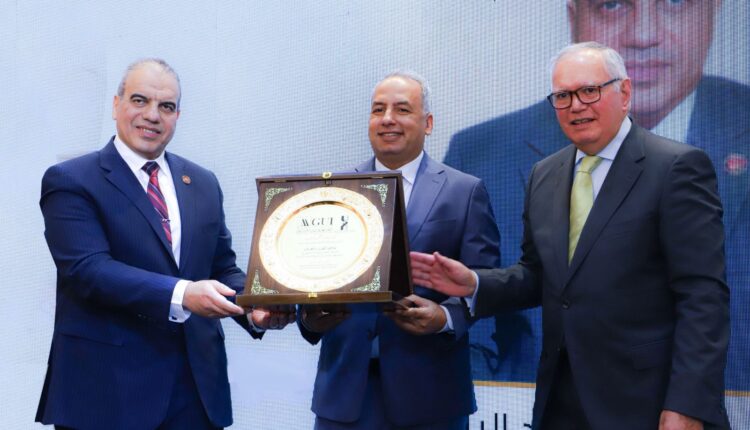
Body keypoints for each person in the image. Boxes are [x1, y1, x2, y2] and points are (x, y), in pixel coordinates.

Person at [411, 43, 730, 429]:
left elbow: (702, 296)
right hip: (561, 402)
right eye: (563, 96)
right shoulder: (544, 174)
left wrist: (687, 406)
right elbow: (539, 277)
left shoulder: (676, 167)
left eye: (589, 91)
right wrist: (475, 283)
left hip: (647, 404)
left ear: (625, 92)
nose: (576, 105)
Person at [444, 0, 749, 386]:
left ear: (713, 10)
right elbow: (481, 326)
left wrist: (686, 404)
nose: (643, 36)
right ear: (575, 18)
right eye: (611, 5)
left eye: (674, 2)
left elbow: (704, 300)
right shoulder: (483, 156)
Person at [35, 58, 293, 430]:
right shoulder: (72, 180)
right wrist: (183, 294)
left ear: (177, 116)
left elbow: (221, 268)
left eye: (166, 106)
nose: (152, 115)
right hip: (107, 395)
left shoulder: (202, 182)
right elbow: (88, 270)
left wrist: (254, 306)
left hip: (195, 395)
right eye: (140, 100)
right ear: (116, 105)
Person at [298, 71, 500, 429]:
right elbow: (311, 274)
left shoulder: (465, 191)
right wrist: (310, 316)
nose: (388, 119)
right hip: (343, 396)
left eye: (402, 109)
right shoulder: (332, 192)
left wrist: (444, 317)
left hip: (432, 398)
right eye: (378, 110)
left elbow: (484, 282)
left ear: (428, 123)